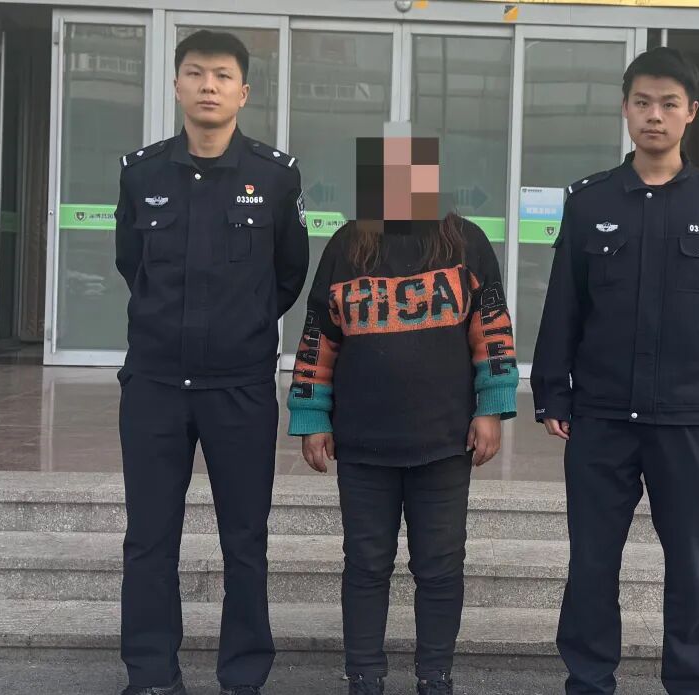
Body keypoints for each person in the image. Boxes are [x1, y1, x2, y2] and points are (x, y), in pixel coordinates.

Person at [531, 47, 699, 695]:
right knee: (591, 563)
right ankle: (588, 679)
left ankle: (693, 682)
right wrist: (552, 390)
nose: (655, 116)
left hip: (686, 417)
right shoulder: (589, 202)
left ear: (691, 112)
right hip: (601, 417)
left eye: (669, 104)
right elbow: (564, 304)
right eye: (642, 102)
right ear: (625, 109)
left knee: (693, 564)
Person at [287, 122, 519, 695]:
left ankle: (434, 674)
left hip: (445, 443)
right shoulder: (347, 246)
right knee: (366, 565)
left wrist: (491, 408)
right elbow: (318, 337)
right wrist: (312, 416)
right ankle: (364, 674)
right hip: (362, 445)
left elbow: (492, 330)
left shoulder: (465, 243)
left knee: (439, 567)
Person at [114, 30, 308, 695]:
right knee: (149, 539)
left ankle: (243, 676)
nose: (208, 86)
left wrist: (241, 326)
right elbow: (130, 264)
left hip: (239, 388)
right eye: (195, 73)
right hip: (155, 385)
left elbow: (288, 274)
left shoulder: (276, 176)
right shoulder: (141, 173)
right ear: (176, 85)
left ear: (243, 92)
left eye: (223, 75)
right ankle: (150, 674)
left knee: (245, 541)